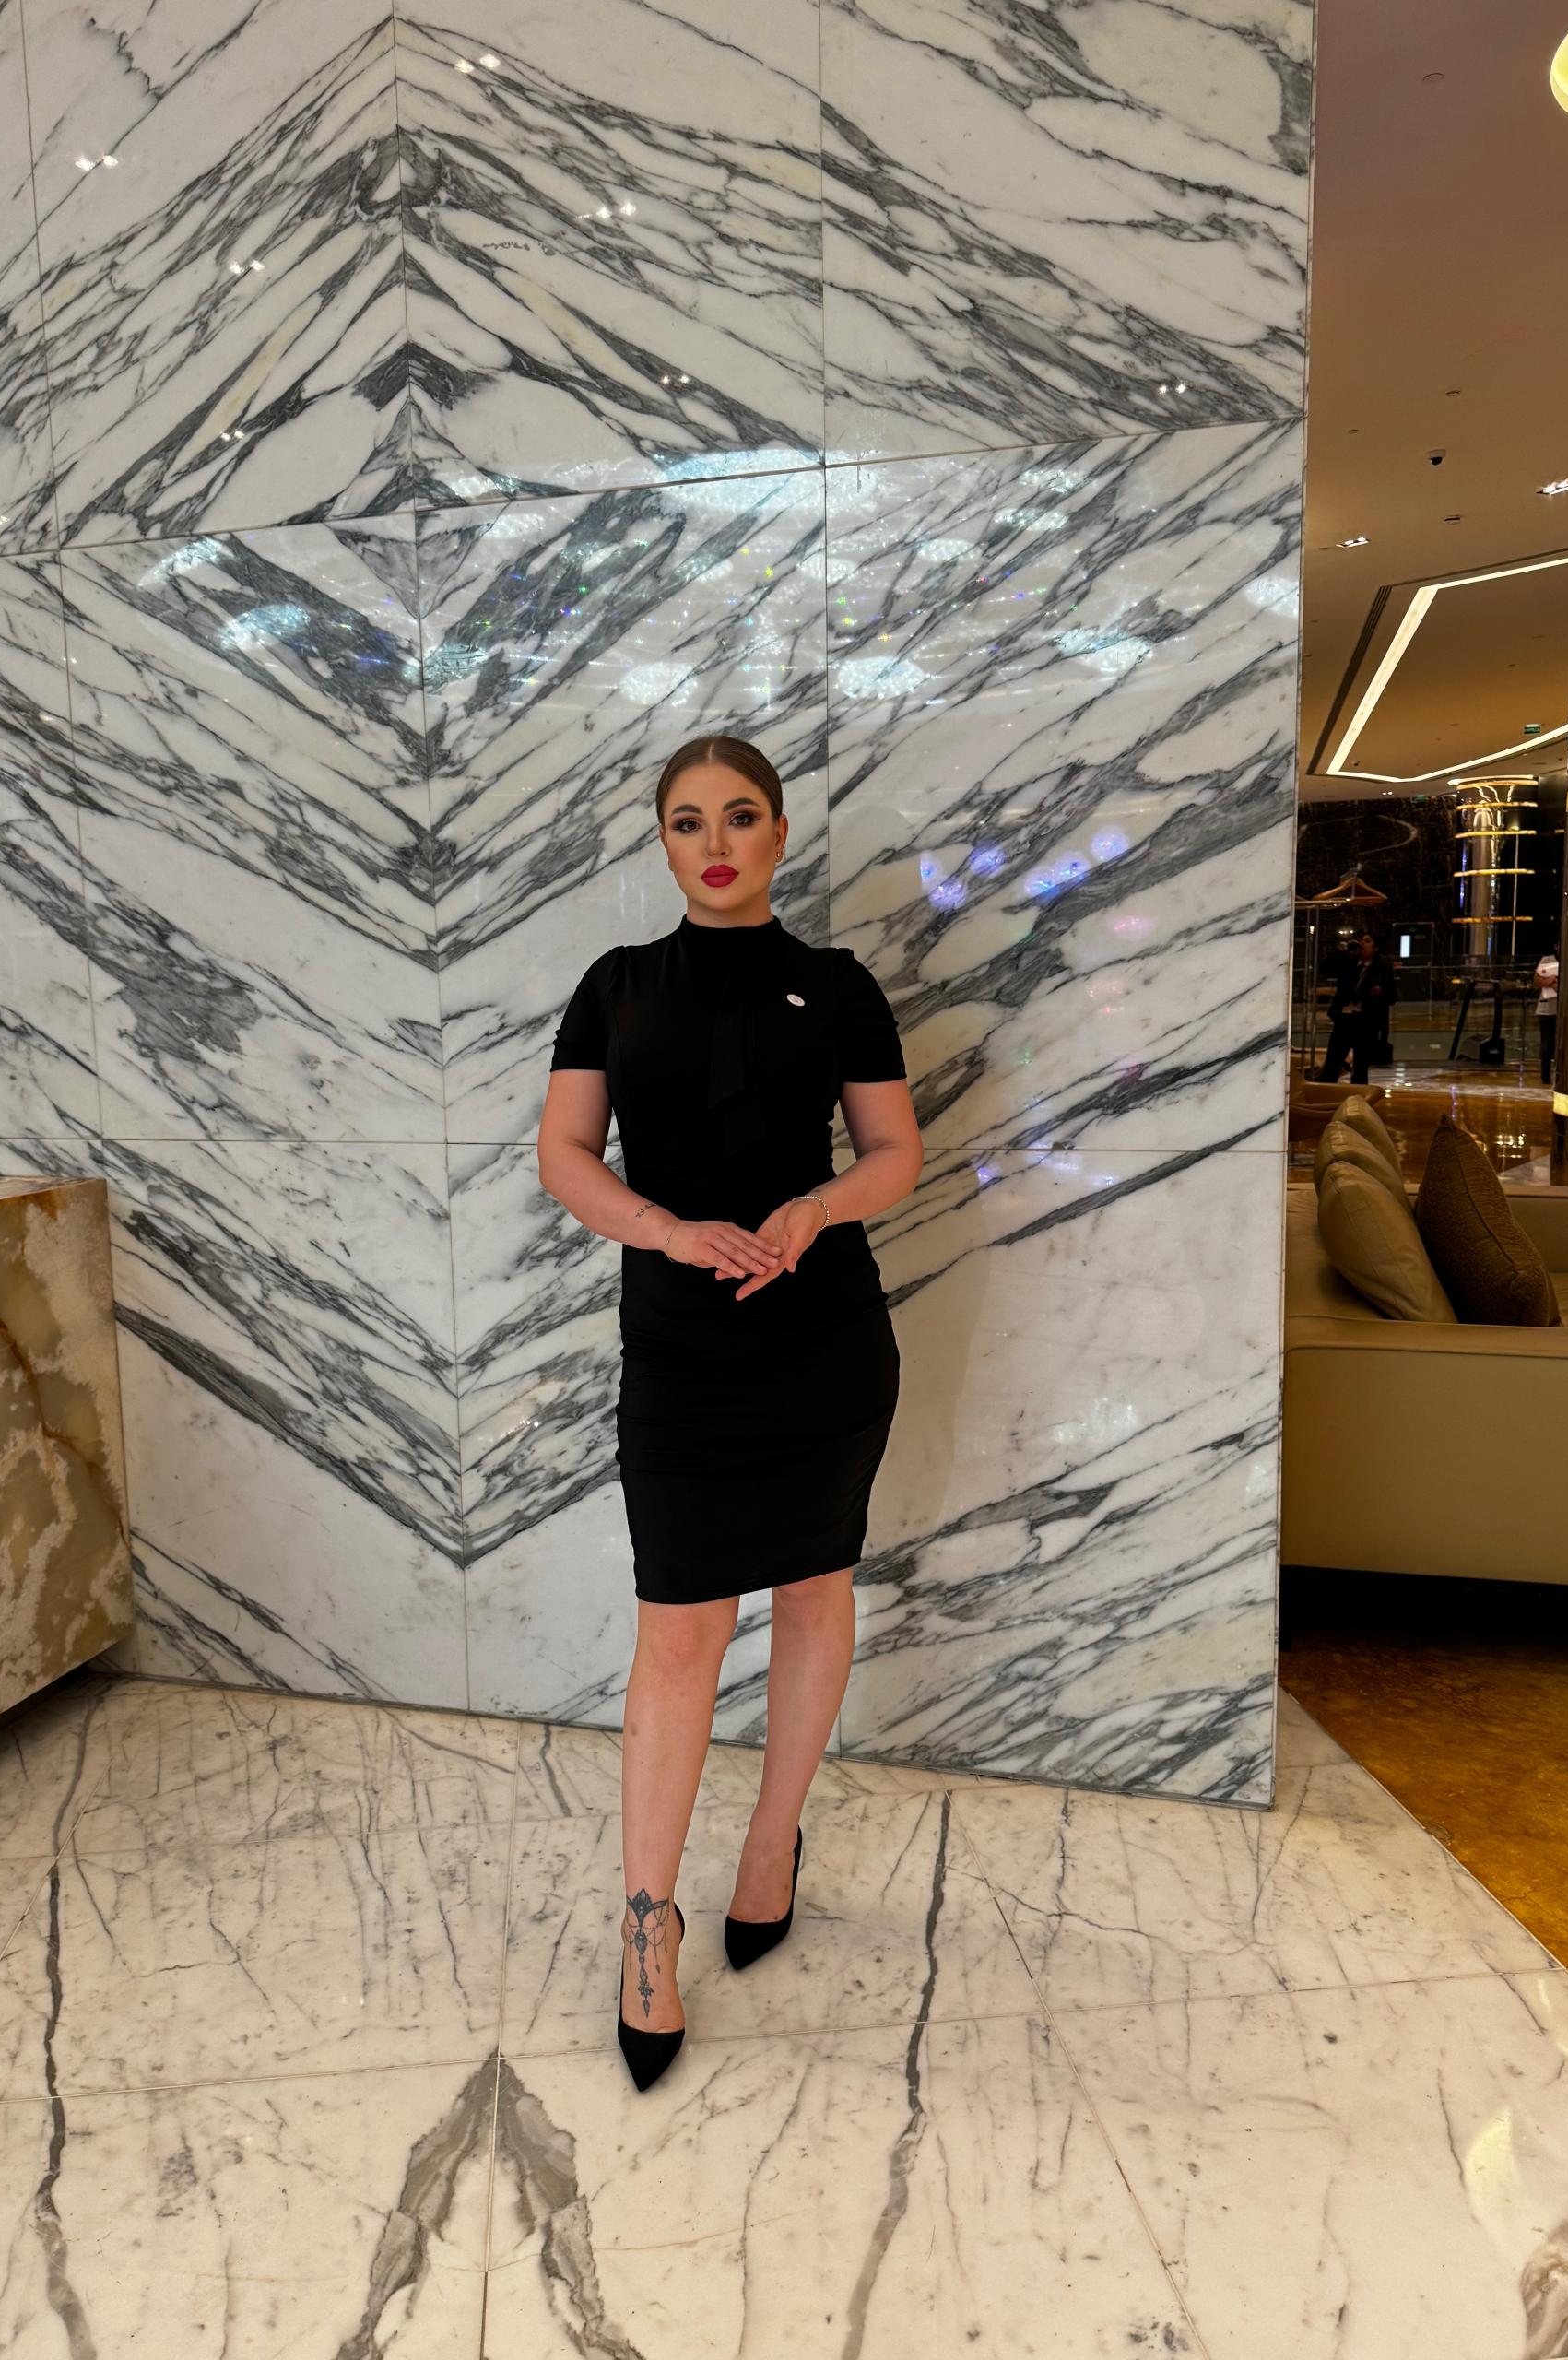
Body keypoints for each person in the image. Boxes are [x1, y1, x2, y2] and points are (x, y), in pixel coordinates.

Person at [536, 735, 923, 2093]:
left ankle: (771, 1848)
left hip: (824, 1341)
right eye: (688, 820)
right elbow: (563, 1154)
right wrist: (667, 1230)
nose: (715, 841)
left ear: (778, 833)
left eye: (740, 816)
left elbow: (895, 1151)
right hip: (681, 1343)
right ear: (663, 841)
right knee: (680, 1629)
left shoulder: (840, 984)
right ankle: (649, 1924)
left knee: (815, 1589)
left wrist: (815, 1207)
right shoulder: (616, 986)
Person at [1318, 929, 1396, 1085]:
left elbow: (1392, 997)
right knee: (1332, 1063)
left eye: (1367, 941)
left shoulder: (1383, 969)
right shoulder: (1348, 963)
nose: (1362, 944)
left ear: (1376, 948)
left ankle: (1358, 1096)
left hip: (1366, 1023)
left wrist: (1380, 993)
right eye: (1362, 940)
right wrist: (1345, 949)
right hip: (1344, 1020)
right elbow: (1325, 966)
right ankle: (1325, 1093)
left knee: (1361, 1067)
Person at [1535, 945, 1560, 1085]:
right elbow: (1537, 980)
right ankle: (1545, 1076)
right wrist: (1550, 981)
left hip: (1562, 1009)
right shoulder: (1547, 960)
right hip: (1546, 1009)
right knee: (1546, 1044)